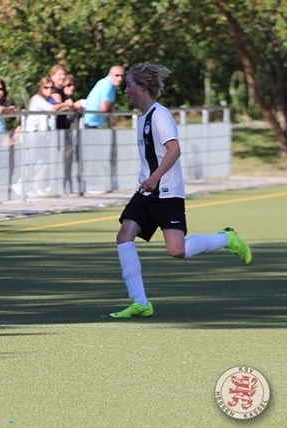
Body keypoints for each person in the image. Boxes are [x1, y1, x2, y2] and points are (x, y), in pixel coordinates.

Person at [109, 63, 252, 318]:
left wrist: (154, 178)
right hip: (146, 192)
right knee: (124, 236)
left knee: (177, 250)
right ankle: (140, 302)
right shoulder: (143, 117)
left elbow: (174, 150)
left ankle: (227, 239)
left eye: (129, 85)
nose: (126, 91)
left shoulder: (160, 115)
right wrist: (148, 180)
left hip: (167, 192)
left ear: (142, 87)